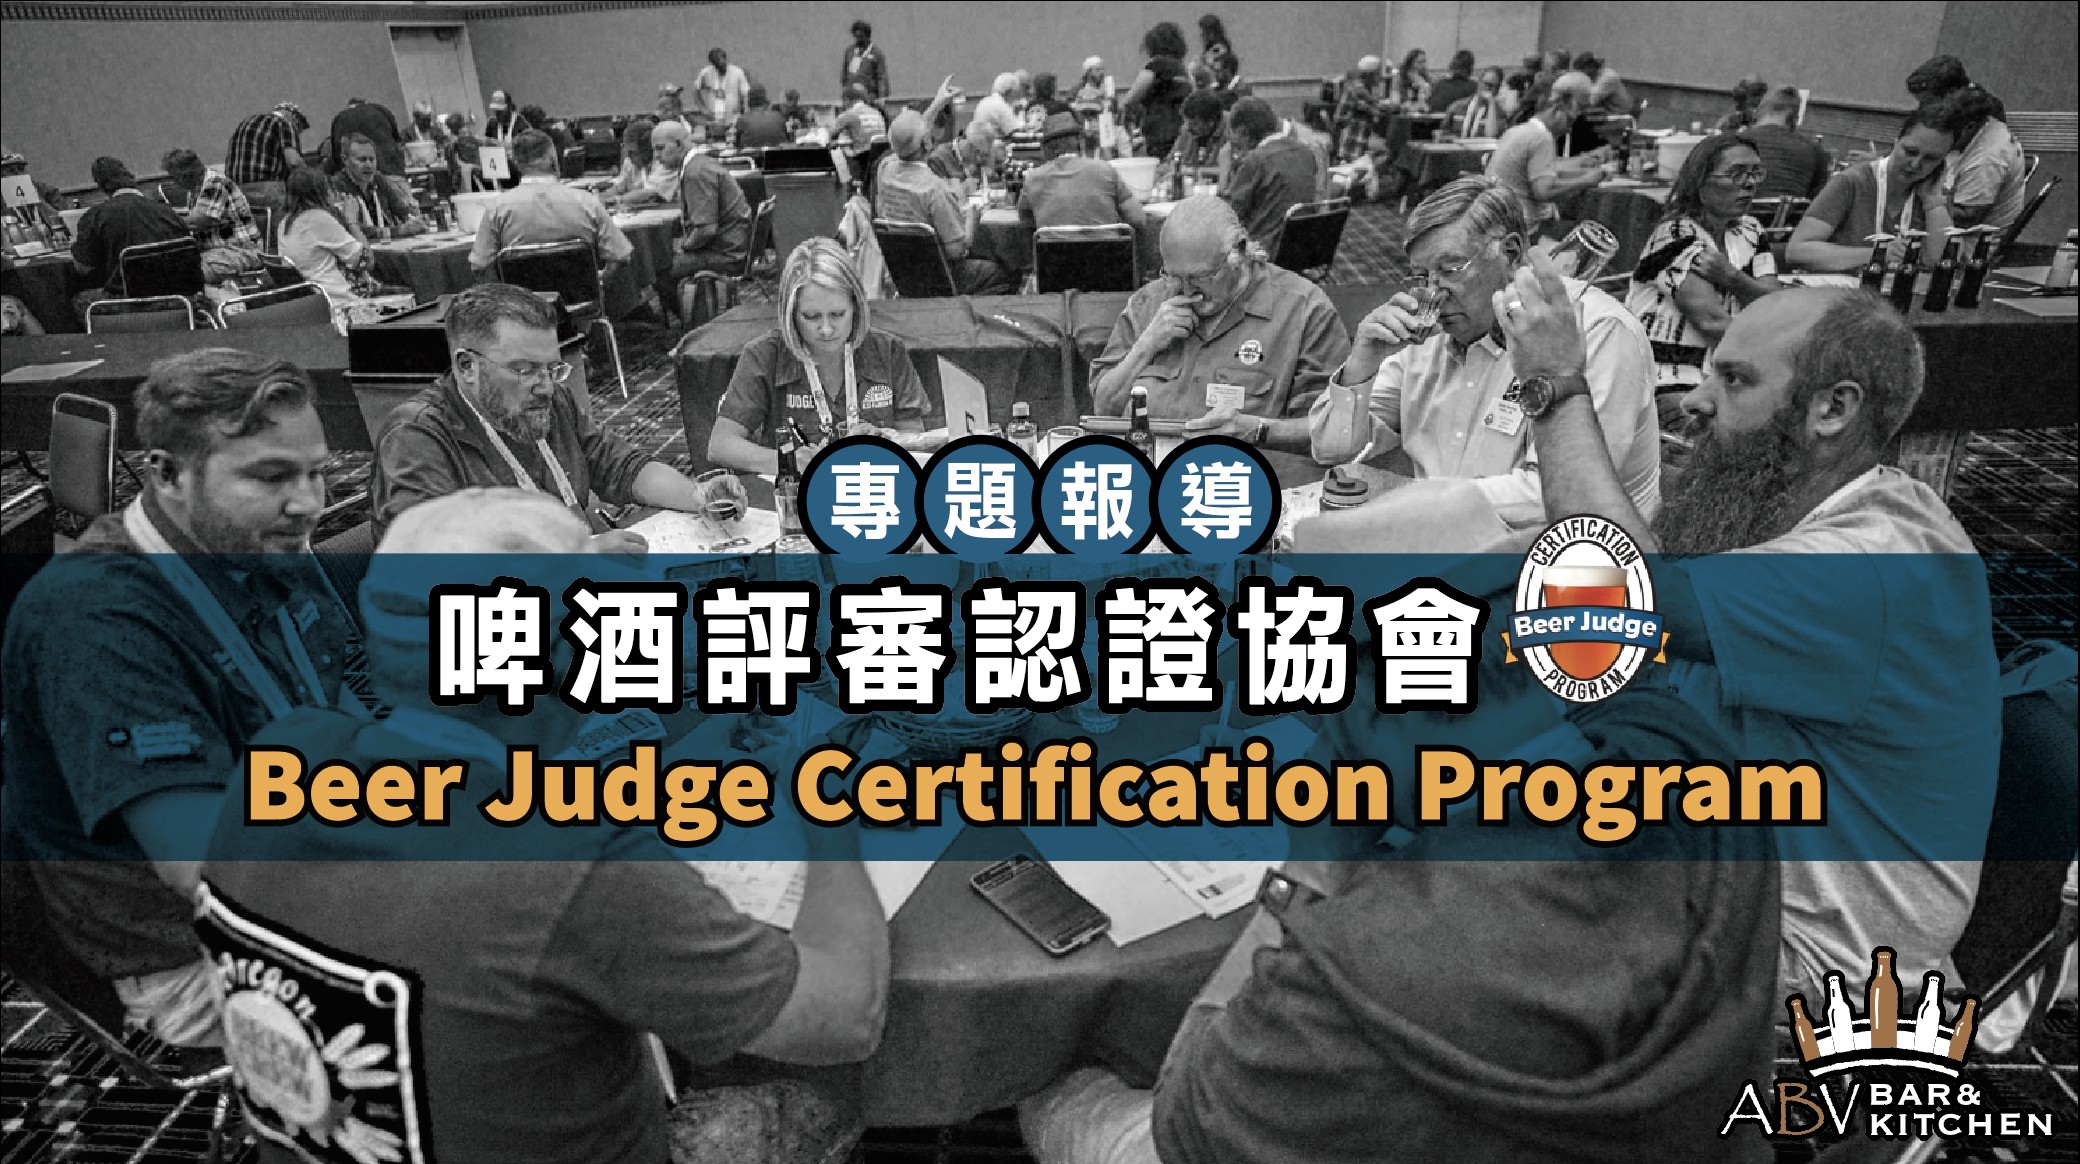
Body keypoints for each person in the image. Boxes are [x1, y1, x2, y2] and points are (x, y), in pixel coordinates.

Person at [198, 487, 888, 1164]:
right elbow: (844, 1018)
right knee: (823, 1098)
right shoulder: (577, 866)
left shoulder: (283, 754)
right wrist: (826, 815)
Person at [1500, 265, 2001, 996]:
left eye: (1735, 381)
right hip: (1722, 887)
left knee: (1437, 942)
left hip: (1813, 971)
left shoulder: (1876, 561)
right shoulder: (1784, 515)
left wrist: (1553, 383)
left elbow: (1621, 588)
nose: (1696, 401)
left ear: (1832, 409)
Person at [1, 348, 348, 1051]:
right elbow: (208, 868)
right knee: (515, 989)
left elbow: (344, 712)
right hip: (191, 955)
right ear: (167, 474)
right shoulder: (95, 619)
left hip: (302, 847)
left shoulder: (252, 545)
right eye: (270, 476)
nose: (308, 504)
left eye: (316, 472)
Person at [1310, 176, 1658, 535]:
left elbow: (1558, 500)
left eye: (1449, 270)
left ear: (1511, 253)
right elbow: (1331, 449)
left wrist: (1415, 502)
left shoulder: (1595, 331)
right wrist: (1363, 362)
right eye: (1421, 276)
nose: (1434, 294)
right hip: (1442, 542)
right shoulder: (1428, 333)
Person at [372, 281, 742, 545]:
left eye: (552, 368)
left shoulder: (548, 401)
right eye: (524, 370)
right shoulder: (415, 437)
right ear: (467, 366)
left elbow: (620, 465)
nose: (546, 386)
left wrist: (698, 495)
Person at [1090, 195, 1348, 436]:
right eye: (1174, 276)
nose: (1186, 290)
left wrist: (1258, 430)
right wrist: (1145, 347)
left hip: (1244, 465)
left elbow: (1332, 429)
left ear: (1240, 252)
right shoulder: (1149, 302)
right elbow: (1103, 409)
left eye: (1201, 277)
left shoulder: (1304, 310)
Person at [710, 238, 933, 472]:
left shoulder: (888, 349)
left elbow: (914, 436)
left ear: (856, 307)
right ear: (791, 314)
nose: (826, 330)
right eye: (811, 317)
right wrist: (788, 461)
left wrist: (886, 441)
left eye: (837, 314)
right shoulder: (764, 355)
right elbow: (720, 445)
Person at [1627, 134, 1782, 428]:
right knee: (1740, 433)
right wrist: (1784, 351)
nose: (1750, 183)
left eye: (1755, 172)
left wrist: (1732, 278)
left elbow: (1774, 304)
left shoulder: (1750, 231)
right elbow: (1712, 323)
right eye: (1737, 173)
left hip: (1728, 377)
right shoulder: (1676, 235)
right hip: (1667, 380)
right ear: (1700, 181)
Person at [1788, 104, 1956, 272]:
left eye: (1930, 159)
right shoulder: (1851, 182)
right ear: (1896, 141)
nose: (1915, 164)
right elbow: (1798, 251)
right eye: (1910, 152)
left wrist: (1932, 201)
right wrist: (1877, 254)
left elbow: (1938, 262)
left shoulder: (1933, 196)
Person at [468, 129, 631, 286]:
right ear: (553, 158)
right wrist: (599, 282)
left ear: (516, 163)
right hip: (583, 301)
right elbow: (620, 257)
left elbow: (480, 266)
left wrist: (507, 296)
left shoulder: (496, 209)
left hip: (523, 303)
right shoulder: (588, 203)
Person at [876, 111, 1012, 296]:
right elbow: (957, 250)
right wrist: (972, 216)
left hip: (902, 275)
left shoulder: (884, 169)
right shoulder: (935, 189)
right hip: (941, 277)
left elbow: (902, 141)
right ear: (927, 143)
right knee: (1004, 272)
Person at [68, 156, 190, 307]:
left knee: (80, 300)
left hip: (129, 301)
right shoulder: (169, 212)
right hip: (181, 300)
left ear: (101, 185)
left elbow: (83, 268)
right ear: (132, 177)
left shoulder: (96, 216)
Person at [1484, 89, 1605, 235]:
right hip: (1524, 226)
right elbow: (1544, 191)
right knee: (1591, 228)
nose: (1569, 129)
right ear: (1556, 110)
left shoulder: (1516, 131)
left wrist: (1582, 170)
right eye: (1569, 120)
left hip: (1496, 219)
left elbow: (1543, 172)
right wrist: (1586, 181)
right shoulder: (1542, 137)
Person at [1020, 111, 1147, 231]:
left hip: (1052, 247)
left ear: (1046, 149)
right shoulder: (1105, 170)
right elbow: (1138, 219)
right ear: (1080, 143)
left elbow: (1026, 222)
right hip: (1106, 246)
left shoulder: (1032, 180)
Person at [1221, 97, 1319, 252]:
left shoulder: (1256, 160)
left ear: (1243, 132)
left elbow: (1230, 214)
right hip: (1303, 246)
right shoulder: (1305, 152)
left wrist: (1227, 171)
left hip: (1262, 251)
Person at [277, 166, 383, 305]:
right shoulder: (318, 218)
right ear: (321, 193)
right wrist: (352, 221)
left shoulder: (284, 223)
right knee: (407, 289)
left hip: (311, 302)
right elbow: (366, 261)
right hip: (341, 301)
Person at [667, 125, 753, 295]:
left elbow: (706, 230)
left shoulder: (695, 173)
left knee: (663, 267)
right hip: (735, 246)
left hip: (727, 256)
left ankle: (688, 311)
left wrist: (684, 247)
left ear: (678, 144)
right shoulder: (701, 162)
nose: (656, 156)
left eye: (660, 148)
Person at [160, 148, 264, 284]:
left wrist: (162, 220)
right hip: (217, 252)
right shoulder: (196, 190)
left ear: (187, 174)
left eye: (175, 177)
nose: (174, 183)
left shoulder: (215, 184)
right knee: (173, 266)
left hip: (241, 252)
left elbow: (197, 222)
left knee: (187, 274)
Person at [1937, 87, 2027, 230]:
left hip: (1973, 239)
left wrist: (1930, 197)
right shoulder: (1991, 125)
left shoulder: (1986, 160)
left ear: (1969, 127)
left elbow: (1966, 221)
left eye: (1946, 129)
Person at [329, 133, 429, 242]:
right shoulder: (336, 186)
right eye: (362, 160)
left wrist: (415, 220)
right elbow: (350, 228)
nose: (368, 165)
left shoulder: (378, 179)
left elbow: (401, 210)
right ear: (345, 160)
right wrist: (398, 231)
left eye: (372, 159)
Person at [1745, 86, 1832, 200]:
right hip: (1788, 210)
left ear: (1758, 112)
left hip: (1739, 210)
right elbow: (1816, 201)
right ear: (1795, 118)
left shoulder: (1734, 140)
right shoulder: (1815, 151)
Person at [1124, 22, 1193, 161]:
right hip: (1181, 128)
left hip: (1158, 129)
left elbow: (1130, 99)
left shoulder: (1156, 65)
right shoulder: (1182, 69)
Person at [224, 101, 309, 211]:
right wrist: (311, 180)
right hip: (266, 190)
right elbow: (294, 162)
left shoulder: (245, 123)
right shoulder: (284, 123)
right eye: (299, 128)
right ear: (294, 117)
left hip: (234, 192)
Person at [606, 117, 687, 209]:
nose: (629, 156)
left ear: (647, 149)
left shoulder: (666, 163)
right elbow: (619, 187)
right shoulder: (631, 162)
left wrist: (617, 200)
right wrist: (601, 198)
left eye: (633, 152)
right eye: (628, 151)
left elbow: (649, 193)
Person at [1161, 91, 1232, 190]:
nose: (1189, 128)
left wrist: (1194, 171)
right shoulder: (1187, 129)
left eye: (1195, 124)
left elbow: (1233, 171)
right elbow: (1170, 161)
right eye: (1187, 122)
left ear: (1211, 121)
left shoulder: (1232, 128)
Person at [1905, 53, 2005, 121]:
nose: (1924, 107)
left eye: (1928, 101)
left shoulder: (1979, 110)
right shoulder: (1954, 104)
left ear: (1950, 93)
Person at [326, 96, 405, 176]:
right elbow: (398, 142)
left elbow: (336, 155)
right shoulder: (381, 110)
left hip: (355, 175)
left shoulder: (339, 119)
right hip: (389, 170)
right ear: (366, 104)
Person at [1333, 56, 1390, 162]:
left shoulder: (1363, 88)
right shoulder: (1358, 90)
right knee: (1387, 152)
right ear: (1370, 75)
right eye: (1378, 73)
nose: (1380, 77)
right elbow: (1377, 112)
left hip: (1359, 137)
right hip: (1354, 140)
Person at [1441, 67, 1509, 141]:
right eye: (1485, 83)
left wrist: (1491, 104)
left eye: (1492, 86)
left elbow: (1493, 136)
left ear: (1498, 89)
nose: (1487, 88)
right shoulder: (1457, 107)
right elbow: (1443, 133)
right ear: (1479, 82)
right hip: (1456, 146)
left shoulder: (1500, 114)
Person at [966, 73, 1024, 158]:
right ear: (1009, 92)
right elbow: (1016, 132)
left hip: (978, 147)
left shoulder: (984, 101)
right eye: (1015, 93)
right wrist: (1021, 115)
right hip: (995, 150)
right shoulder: (1002, 106)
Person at [483, 89, 529, 188]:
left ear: (508, 107)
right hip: (498, 172)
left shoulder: (521, 125)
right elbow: (487, 147)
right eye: (496, 111)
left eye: (500, 111)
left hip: (518, 174)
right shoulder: (492, 124)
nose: (497, 114)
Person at [696, 46, 752, 124]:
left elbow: (745, 94)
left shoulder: (737, 73)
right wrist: (702, 108)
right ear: (713, 64)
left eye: (723, 65)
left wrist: (745, 114)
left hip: (733, 119)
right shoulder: (706, 73)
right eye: (718, 66)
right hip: (713, 119)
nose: (721, 68)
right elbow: (695, 89)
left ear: (726, 59)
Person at [842, 19, 890, 102]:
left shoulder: (876, 53)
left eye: (860, 37)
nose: (858, 40)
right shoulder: (850, 51)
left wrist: (882, 98)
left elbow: (882, 78)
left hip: (869, 96)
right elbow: (844, 74)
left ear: (867, 36)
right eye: (856, 37)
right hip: (851, 96)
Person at [1576, 50, 1632, 117]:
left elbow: (1592, 101)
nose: (1580, 74)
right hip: (1607, 110)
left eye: (1582, 69)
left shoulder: (1607, 79)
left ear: (1591, 68)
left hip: (1618, 114)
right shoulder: (1595, 77)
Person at [835, 83, 888, 148]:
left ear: (846, 100)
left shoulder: (849, 114)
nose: (843, 105)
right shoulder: (877, 113)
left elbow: (830, 134)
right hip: (880, 152)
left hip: (862, 152)